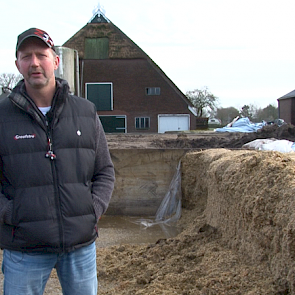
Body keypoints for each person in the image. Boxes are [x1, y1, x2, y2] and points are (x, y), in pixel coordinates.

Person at [0, 28, 115, 294]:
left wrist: (92, 210)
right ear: (17, 64)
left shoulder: (85, 112)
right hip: (24, 247)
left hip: (80, 246)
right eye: (26, 56)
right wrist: (10, 213)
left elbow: (105, 171)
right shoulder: (2, 116)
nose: (35, 63)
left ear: (56, 61)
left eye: (41, 55)